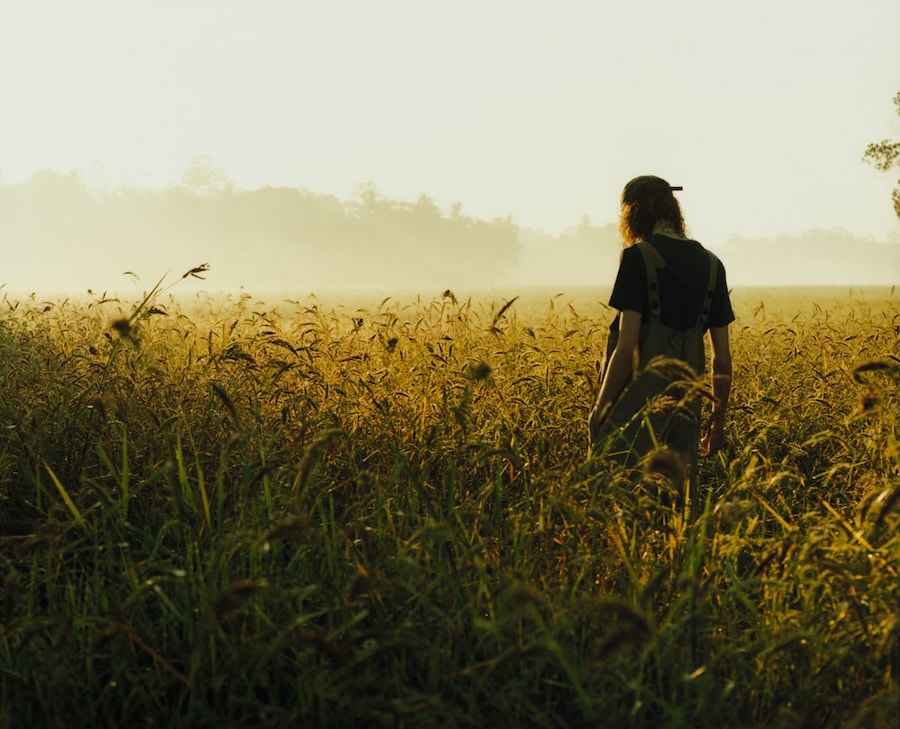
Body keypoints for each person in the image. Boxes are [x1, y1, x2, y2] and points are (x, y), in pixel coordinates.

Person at [589, 175, 734, 517]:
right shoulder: (713, 265)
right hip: (687, 406)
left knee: (616, 497)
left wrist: (600, 407)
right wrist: (717, 425)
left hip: (635, 406)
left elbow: (626, 349)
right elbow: (722, 360)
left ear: (634, 212)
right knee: (678, 506)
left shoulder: (638, 258)